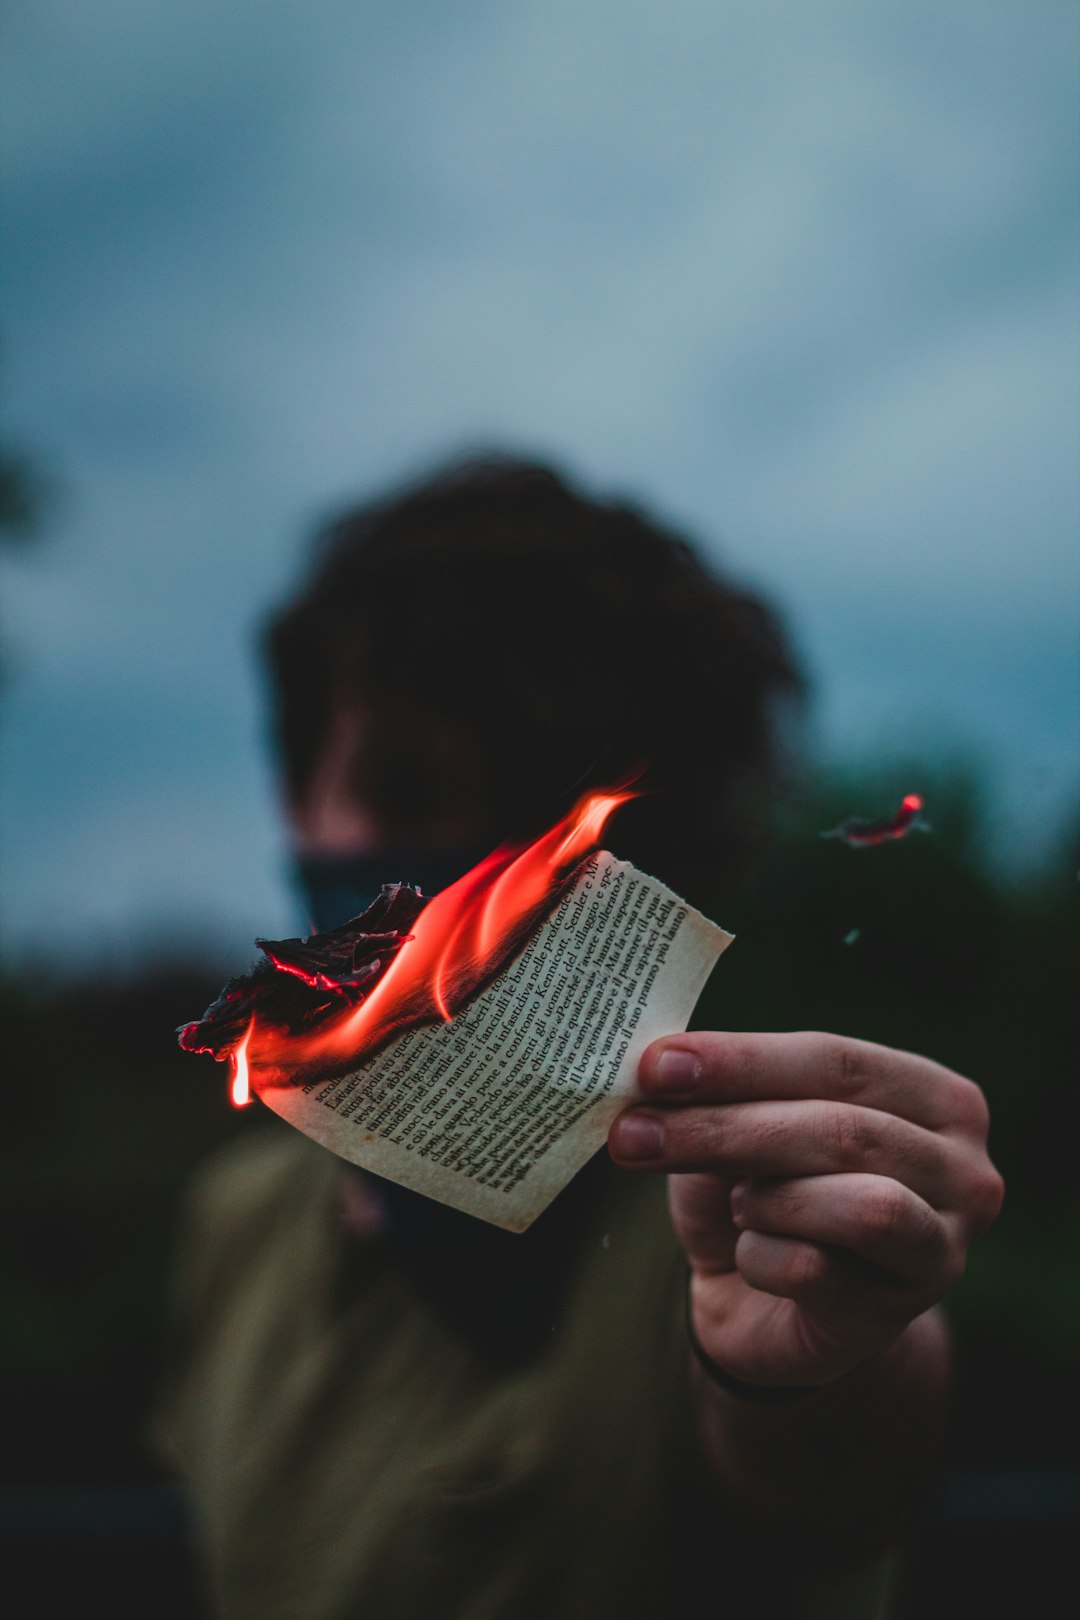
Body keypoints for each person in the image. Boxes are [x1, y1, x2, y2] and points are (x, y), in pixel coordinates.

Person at [153, 457, 1003, 1619]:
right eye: (402, 784)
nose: (474, 891)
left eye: (537, 818)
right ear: (297, 799)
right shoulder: (242, 1226)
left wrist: (822, 1353)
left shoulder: (739, 1225)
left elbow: (830, 1451)